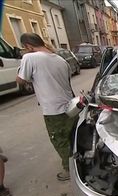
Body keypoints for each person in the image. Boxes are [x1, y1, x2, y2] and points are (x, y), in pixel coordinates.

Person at [16, 33, 76, 181]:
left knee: (59, 139)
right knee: (71, 137)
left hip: (53, 110)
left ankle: (69, 170)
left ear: (28, 46)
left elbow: (21, 81)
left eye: (25, 47)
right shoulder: (61, 60)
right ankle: (78, 163)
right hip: (70, 106)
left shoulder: (29, 57)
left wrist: (19, 72)